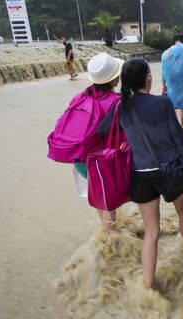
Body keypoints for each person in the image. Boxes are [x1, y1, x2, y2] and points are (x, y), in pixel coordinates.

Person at [98, 58, 183, 290]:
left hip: (142, 176)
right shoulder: (162, 103)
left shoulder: (120, 106)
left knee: (152, 232)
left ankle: (148, 287)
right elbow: (179, 137)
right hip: (171, 172)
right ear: (148, 77)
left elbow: (102, 130)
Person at [72, 52, 124, 232]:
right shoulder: (116, 102)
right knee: (109, 202)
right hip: (101, 161)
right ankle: (110, 243)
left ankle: (104, 232)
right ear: (113, 79)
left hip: (79, 160)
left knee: (98, 196)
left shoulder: (79, 97)